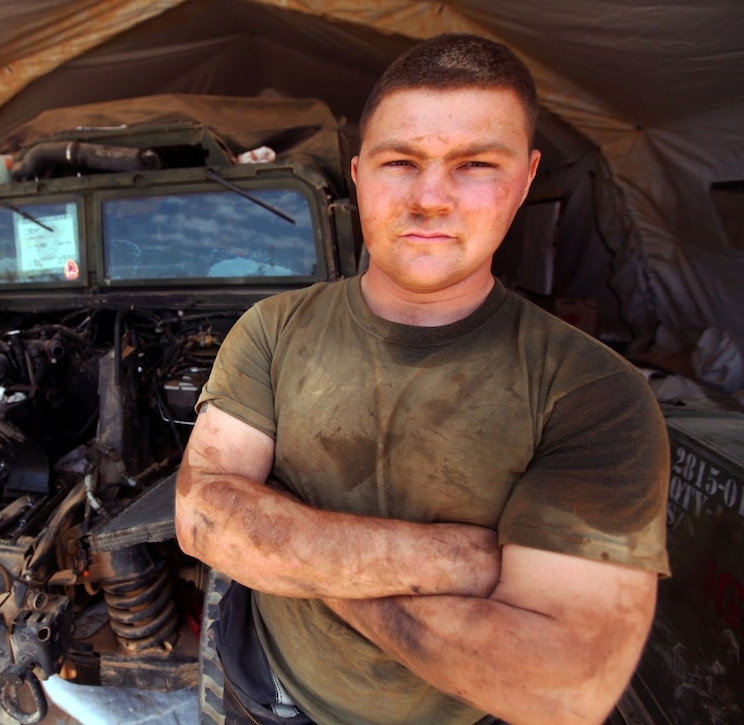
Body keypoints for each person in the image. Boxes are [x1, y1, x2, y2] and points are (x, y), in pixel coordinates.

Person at [175, 33, 669, 725]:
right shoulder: (274, 328)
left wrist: (288, 552)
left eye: (474, 164)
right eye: (400, 161)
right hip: (269, 695)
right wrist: (466, 558)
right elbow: (204, 518)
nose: (430, 197)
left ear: (526, 178)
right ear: (358, 172)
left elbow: (558, 687)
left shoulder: (594, 394)